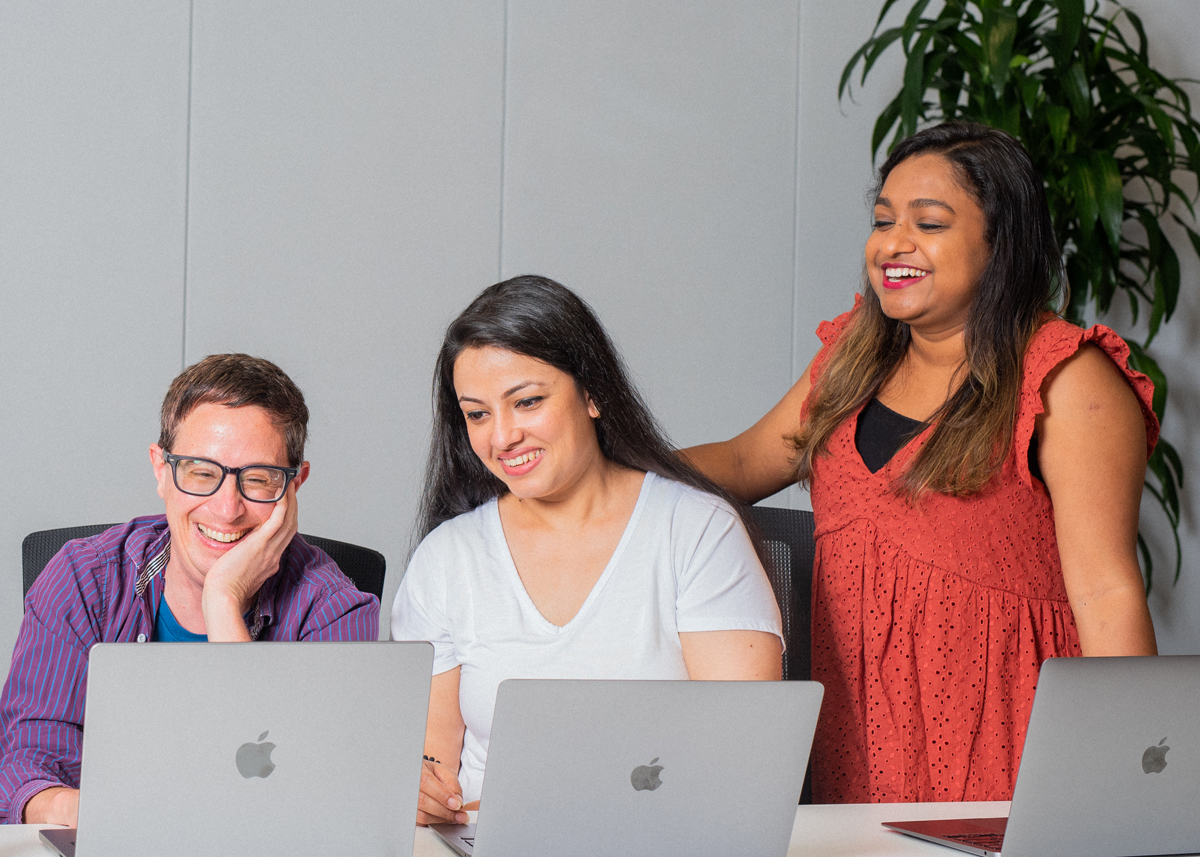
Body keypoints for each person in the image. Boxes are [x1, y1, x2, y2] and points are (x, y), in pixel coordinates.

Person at [683, 122, 1159, 804]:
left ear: (1002, 244)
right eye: (883, 220)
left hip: (1011, 762)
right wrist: (596, 468)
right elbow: (741, 460)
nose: (892, 243)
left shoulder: (1065, 377)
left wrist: (1127, 791)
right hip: (859, 747)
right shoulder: (852, 357)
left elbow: (1108, 595)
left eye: (928, 223)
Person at [391, 275, 784, 825]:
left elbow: (747, 758)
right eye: (478, 414)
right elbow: (431, 762)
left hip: (659, 840)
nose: (502, 438)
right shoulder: (446, 558)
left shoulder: (696, 531)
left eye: (526, 402)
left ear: (594, 393)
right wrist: (420, 788)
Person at [0, 354, 380, 826]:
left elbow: (312, 797)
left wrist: (223, 598)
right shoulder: (84, 578)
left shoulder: (334, 610)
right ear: (161, 469)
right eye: (201, 473)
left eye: (258, 480)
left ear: (294, 486)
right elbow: (29, 756)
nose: (226, 509)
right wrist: (92, 813)